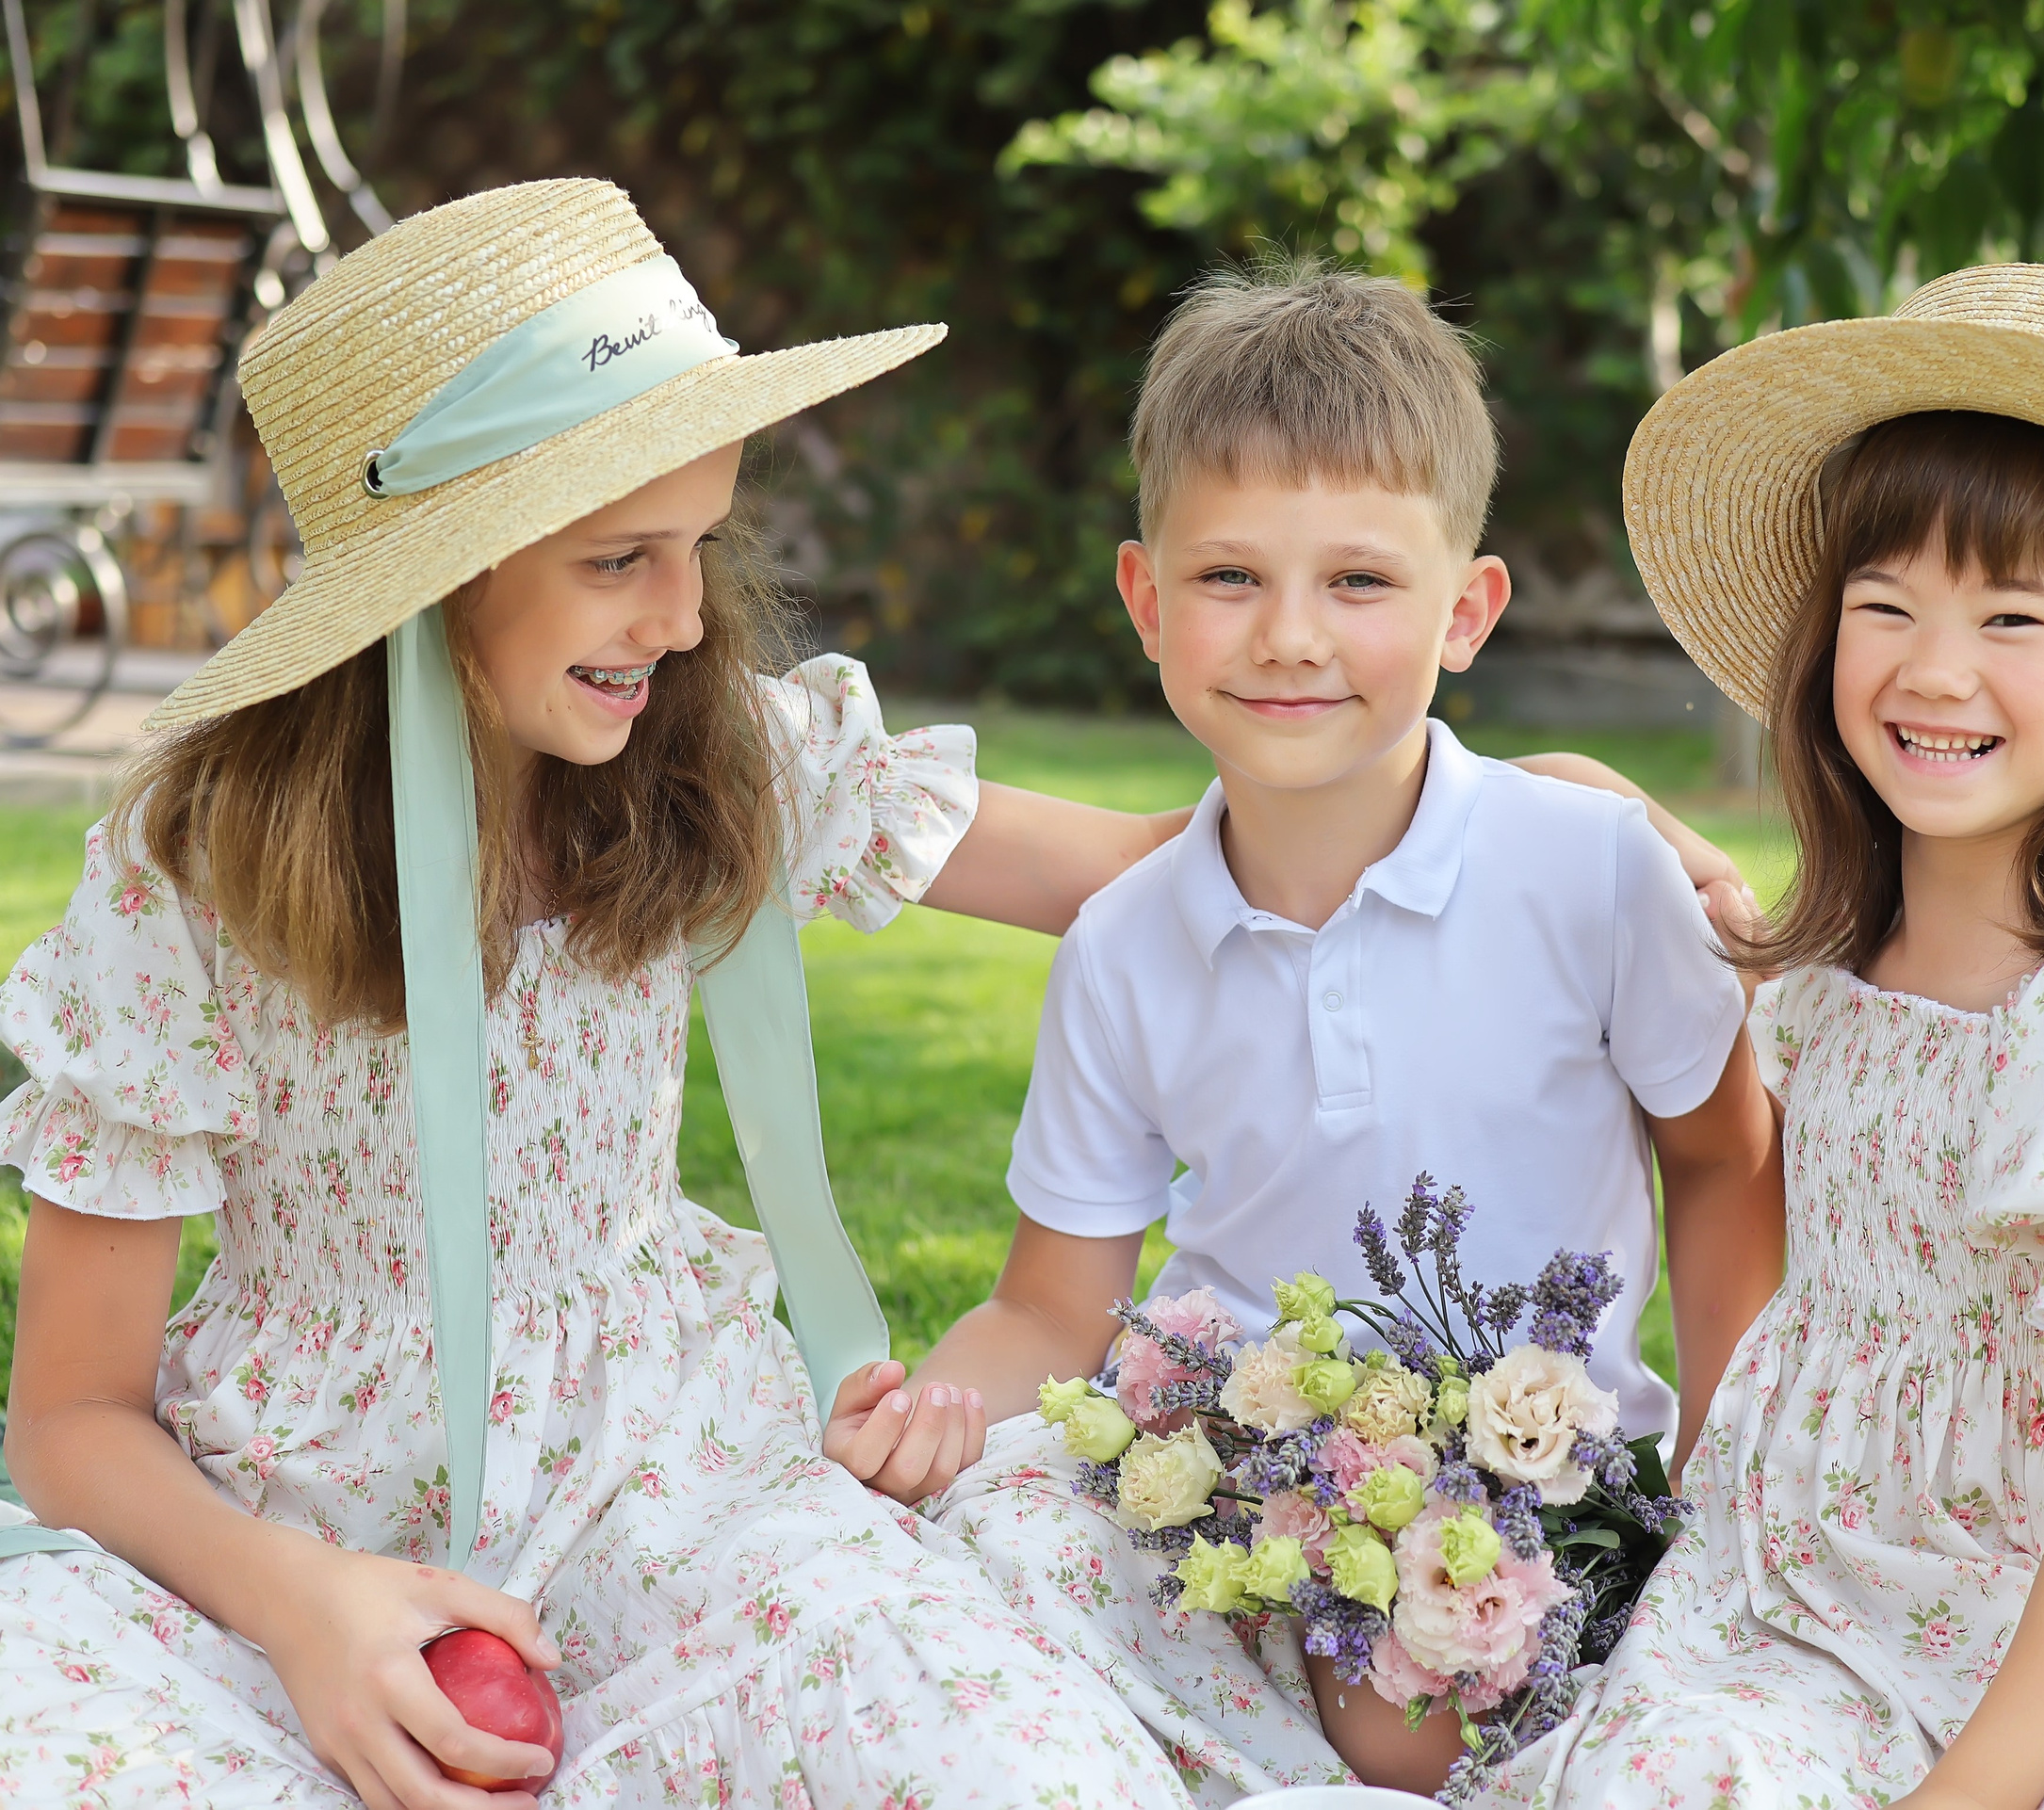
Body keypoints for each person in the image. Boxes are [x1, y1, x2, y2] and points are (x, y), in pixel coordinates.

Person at [0, 178, 1224, 1810]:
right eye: (620, 557)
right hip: (286, 1530)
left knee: (1004, 1753)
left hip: (675, 1486)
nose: (685, 613)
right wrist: (302, 1611)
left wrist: (1545, 808)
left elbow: (1162, 867)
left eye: (701, 543)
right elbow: (72, 1417)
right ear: (442, 573)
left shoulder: (726, 759)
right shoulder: (193, 874)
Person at [833, 256, 1788, 1799]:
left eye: (1358, 581)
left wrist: (1732, 1474)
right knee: (940, 1597)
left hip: (1552, 1498)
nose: (1289, 636)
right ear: (1147, 599)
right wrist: (935, 1417)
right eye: (1229, 579)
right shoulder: (1127, 947)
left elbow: (1728, 1155)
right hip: (1242, 1501)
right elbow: (1052, 1309)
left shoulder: (1593, 870)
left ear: (1466, 610)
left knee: (1421, 1724)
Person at [1485, 264, 2044, 1806]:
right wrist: (1605, 800)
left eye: (2013, 615)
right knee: (1675, 1778)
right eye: (1885, 605)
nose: (1934, 666)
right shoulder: (1827, 976)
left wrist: (1966, 1792)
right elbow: (1631, 848)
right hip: (1804, 1597)